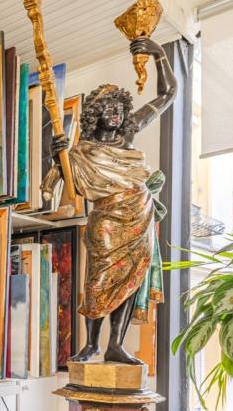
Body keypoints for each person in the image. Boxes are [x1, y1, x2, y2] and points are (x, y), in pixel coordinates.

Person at [42, 37, 177, 365]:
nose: (116, 114)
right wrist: (55, 155)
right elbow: (55, 187)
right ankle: (91, 344)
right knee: (99, 279)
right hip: (105, 217)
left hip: (139, 213)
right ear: (95, 114)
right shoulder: (79, 151)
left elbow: (168, 94)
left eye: (119, 108)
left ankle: (115, 344)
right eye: (108, 108)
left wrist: (159, 54)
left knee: (130, 280)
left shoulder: (128, 135)